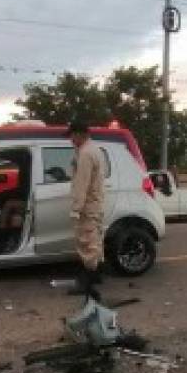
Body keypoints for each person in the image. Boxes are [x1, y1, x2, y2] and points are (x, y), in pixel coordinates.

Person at [67, 118, 105, 299]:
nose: (70, 140)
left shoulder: (86, 154)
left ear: (79, 134)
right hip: (95, 204)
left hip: (87, 206)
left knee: (87, 243)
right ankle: (95, 277)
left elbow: (82, 184)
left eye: (72, 136)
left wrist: (76, 208)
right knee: (95, 240)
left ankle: (89, 286)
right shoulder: (92, 149)